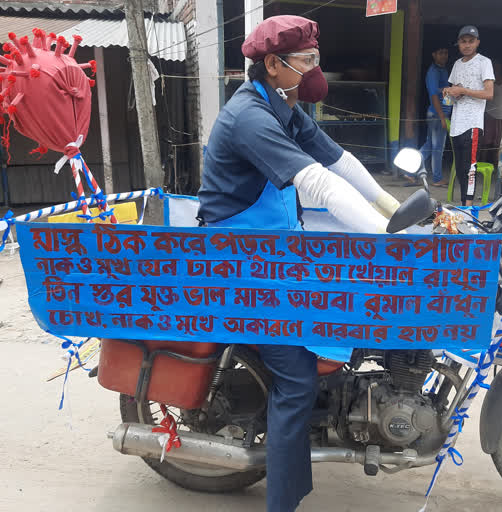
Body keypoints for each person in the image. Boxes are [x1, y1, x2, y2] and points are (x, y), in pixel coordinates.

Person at [196, 15, 401, 512]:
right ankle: (282, 503)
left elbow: (341, 163)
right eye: (307, 61)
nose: (315, 71)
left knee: (350, 303)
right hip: (239, 267)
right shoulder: (250, 117)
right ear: (274, 64)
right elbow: (319, 185)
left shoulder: (282, 106)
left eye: (315, 59)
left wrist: (397, 213)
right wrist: (392, 244)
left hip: (275, 256)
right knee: (296, 375)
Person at [444, 26, 495, 206]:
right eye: (463, 41)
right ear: (458, 43)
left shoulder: (484, 62)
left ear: (477, 43)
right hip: (457, 122)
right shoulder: (457, 64)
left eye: (470, 41)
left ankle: (468, 206)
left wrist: (463, 90)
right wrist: (451, 92)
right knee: (459, 167)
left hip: (472, 123)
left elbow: (489, 94)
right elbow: (456, 89)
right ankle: (463, 204)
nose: (466, 45)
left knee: (469, 167)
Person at [418, 45, 453, 186]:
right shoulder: (433, 72)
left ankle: (409, 171)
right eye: (440, 53)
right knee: (438, 148)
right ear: (434, 54)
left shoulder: (443, 70)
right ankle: (437, 179)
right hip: (437, 115)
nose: (444, 55)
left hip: (440, 114)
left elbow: (445, 93)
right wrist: (442, 117)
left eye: (445, 52)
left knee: (429, 145)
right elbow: (433, 96)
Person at [482, 58, 502, 165]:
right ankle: (482, 162)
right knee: (486, 142)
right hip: (489, 114)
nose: (496, 70)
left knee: (498, 143)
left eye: (498, 68)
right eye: (494, 68)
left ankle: (496, 165)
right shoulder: (488, 81)